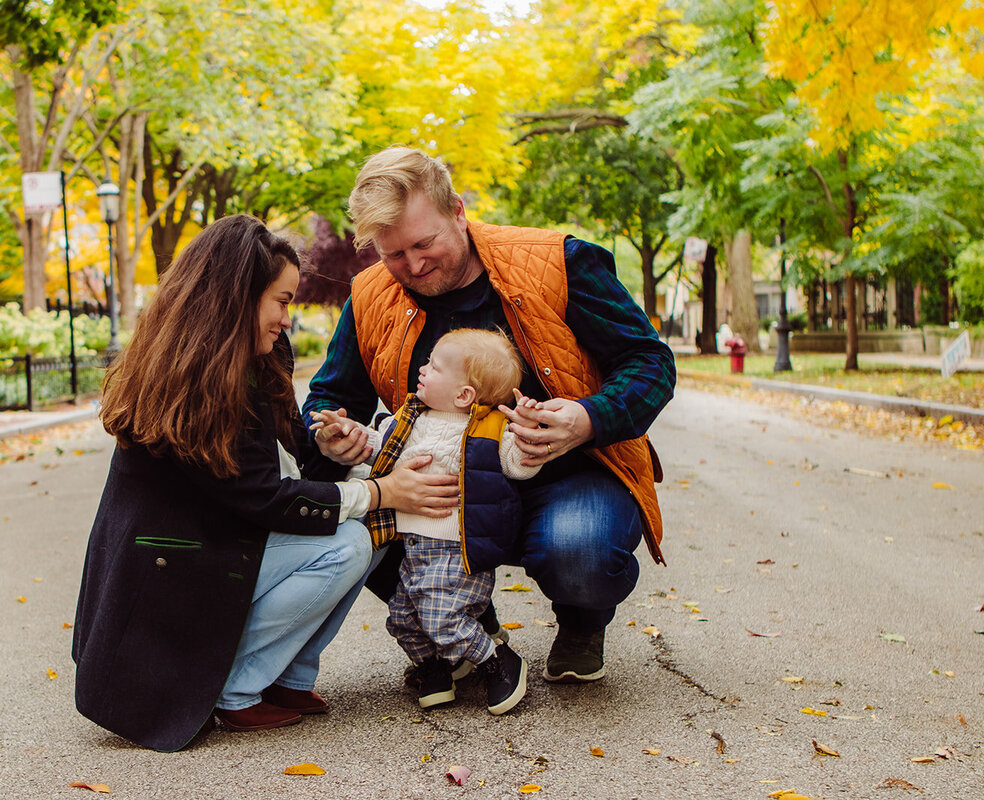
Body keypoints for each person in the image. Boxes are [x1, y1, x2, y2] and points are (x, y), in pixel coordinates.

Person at [72, 214, 457, 751]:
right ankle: (236, 688)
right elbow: (260, 498)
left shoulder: (256, 355)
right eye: (280, 301)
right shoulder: (191, 377)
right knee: (350, 541)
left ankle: (287, 677)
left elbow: (283, 457)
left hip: (219, 540)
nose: (285, 319)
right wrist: (378, 491)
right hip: (173, 573)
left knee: (370, 528)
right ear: (235, 295)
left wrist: (329, 446)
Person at [303, 146, 675, 686]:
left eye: (424, 243)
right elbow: (329, 399)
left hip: (567, 473)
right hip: (441, 492)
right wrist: (330, 434)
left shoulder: (557, 262)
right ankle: (465, 624)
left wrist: (588, 417)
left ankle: (582, 617)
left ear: (457, 210)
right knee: (348, 504)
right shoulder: (369, 295)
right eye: (393, 254)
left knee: (579, 550)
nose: (412, 265)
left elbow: (649, 361)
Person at [311, 329, 541, 715]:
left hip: (457, 551)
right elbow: (376, 446)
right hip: (413, 548)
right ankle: (434, 668)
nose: (422, 369)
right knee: (403, 617)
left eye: (433, 366)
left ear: (464, 395)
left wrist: (528, 432)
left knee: (442, 615)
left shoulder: (486, 429)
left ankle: (497, 661)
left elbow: (517, 466)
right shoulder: (408, 419)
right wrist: (349, 432)